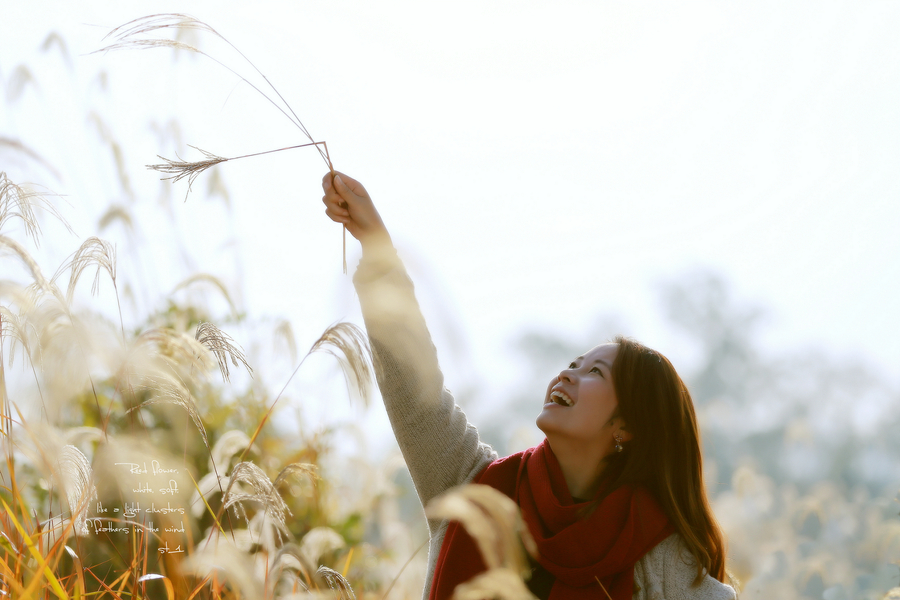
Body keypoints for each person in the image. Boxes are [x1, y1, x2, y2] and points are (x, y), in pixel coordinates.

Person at [322, 172, 736, 600]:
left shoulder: (657, 553)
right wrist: (375, 244)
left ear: (626, 427)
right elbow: (414, 386)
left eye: (595, 373)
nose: (567, 374)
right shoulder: (473, 490)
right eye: (573, 364)